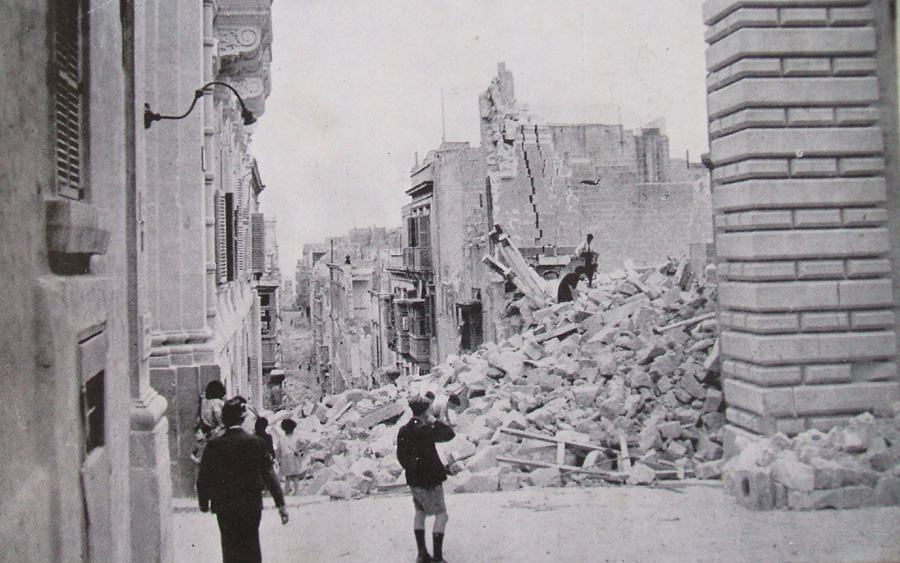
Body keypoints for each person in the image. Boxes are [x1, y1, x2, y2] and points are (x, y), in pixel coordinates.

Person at [197, 398, 289, 563]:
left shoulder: (213, 445)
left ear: (224, 420)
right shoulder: (256, 443)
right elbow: (269, 475)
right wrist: (280, 505)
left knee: (229, 547)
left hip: (224, 507)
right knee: (251, 545)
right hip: (251, 505)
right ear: (243, 418)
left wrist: (204, 503)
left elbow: (203, 477)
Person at [397, 395, 455, 563]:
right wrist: (434, 422)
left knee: (420, 512)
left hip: (414, 479)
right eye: (429, 409)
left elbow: (401, 456)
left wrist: (412, 467)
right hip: (432, 478)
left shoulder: (403, 430)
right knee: (441, 514)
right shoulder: (428, 429)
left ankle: (422, 554)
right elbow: (450, 434)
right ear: (425, 412)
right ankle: (437, 558)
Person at [191, 380, 227, 463]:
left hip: (204, 434)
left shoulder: (204, 402)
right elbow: (221, 422)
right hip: (215, 435)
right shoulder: (217, 403)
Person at [277, 418, 304, 494]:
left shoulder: (281, 439)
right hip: (294, 457)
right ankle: (296, 491)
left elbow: (278, 450)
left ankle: (287, 490)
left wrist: (278, 459)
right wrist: (299, 450)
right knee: (295, 476)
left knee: (287, 477)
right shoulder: (296, 437)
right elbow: (304, 443)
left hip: (284, 458)